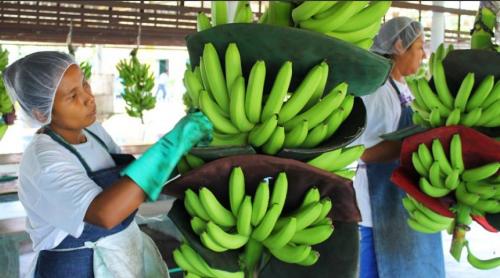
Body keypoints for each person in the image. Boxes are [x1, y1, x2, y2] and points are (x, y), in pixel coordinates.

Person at [3, 51, 213, 277]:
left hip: (120, 257)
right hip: (75, 268)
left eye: (85, 84)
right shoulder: (44, 160)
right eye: (73, 96)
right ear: (41, 113)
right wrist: (172, 144)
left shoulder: (93, 132)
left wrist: (184, 154)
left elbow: (130, 183)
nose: (88, 98)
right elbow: (105, 213)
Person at [352, 17, 445, 278]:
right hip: (376, 203)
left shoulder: (405, 88)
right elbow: (364, 152)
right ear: (399, 46)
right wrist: (414, 145)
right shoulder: (378, 91)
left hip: (401, 197)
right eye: (419, 46)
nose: (424, 54)